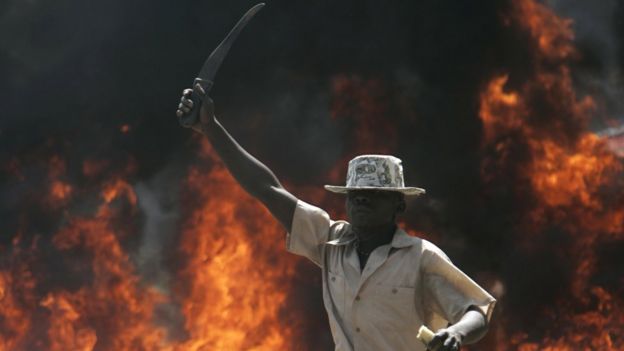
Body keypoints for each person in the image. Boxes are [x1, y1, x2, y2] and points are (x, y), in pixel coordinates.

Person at [176, 85, 496, 351]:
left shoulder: (420, 257)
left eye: (372, 195)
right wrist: (211, 128)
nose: (359, 200)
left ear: (398, 206)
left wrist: (456, 333)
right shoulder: (329, 243)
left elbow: (475, 310)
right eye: (354, 194)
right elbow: (267, 189)